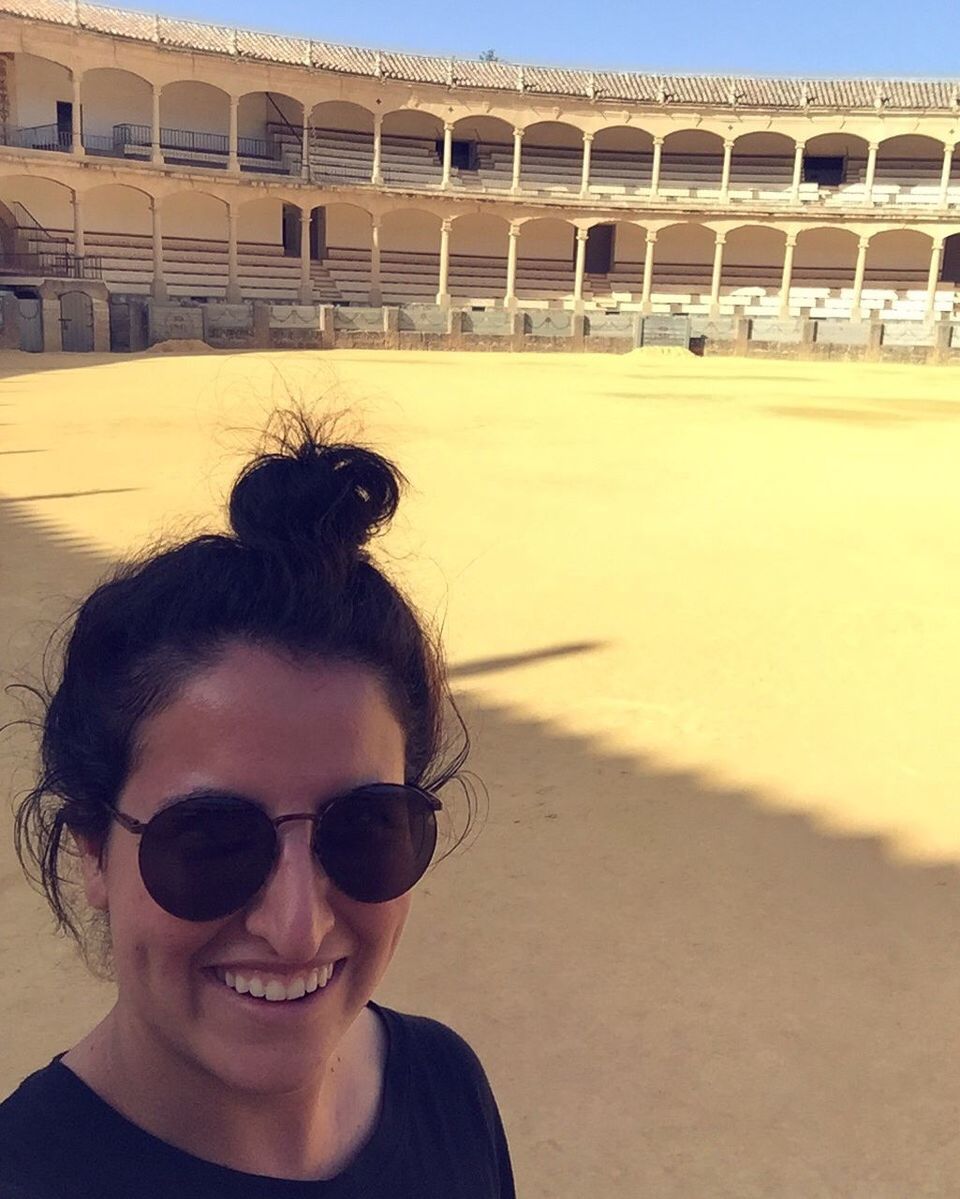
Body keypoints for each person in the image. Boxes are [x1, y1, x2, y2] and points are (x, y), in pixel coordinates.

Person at [0, 409, 516, 1198]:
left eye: (367, 827)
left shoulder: (445, 1089)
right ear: (93, 848)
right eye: (210, 841)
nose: (296, 925)